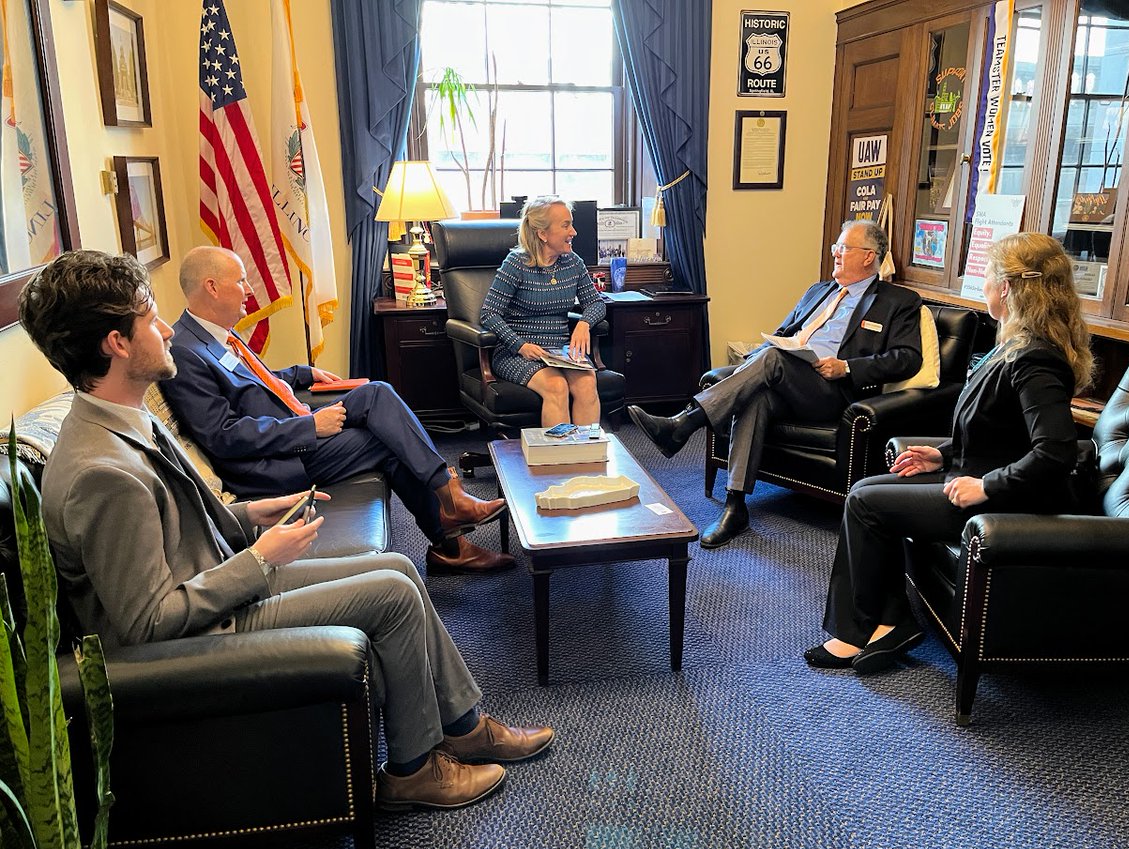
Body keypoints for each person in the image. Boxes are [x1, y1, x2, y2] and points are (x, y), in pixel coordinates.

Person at [20, 249, 554, 812]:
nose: (164, 329)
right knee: (393, 593)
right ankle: (413, 769)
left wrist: (253, 515)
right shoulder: (101, 472)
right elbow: (146, 623)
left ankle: (463, 726)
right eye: (150, 316)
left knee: (397, 566)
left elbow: (179, 528)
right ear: (117, 343)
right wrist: (260, 558)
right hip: (203, 632)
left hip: (215, 585)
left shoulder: (123, 418)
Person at [806, 232, 1093, 674]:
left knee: (865, 502)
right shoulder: (1015, 345)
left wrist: (986, 487)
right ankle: (888, 622)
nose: (983, 287)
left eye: (987, 278)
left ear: (1010, 288)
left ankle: (857, 631)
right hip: (969, 476)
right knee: (865, 490)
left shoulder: (1036, 358)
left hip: (1008, 504)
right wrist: (941, 455)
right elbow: (1001, 432)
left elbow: (1055, 452)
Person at [162, 246, 512, 576]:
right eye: (240, 280)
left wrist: (301, 372)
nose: (249, 289)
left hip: (289, 426)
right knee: (388, 442)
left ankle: (449, 510)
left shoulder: (214, 336)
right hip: (272, 461)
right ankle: (449, 530)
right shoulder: (186, 351)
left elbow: (253, 384)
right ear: (212, 287)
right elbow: (223, 436)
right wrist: (310, 427)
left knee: (375, 393)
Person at [629, 220, 923, 549]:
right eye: (835, 248)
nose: (836, 254)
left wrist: (847, 367)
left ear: (869, 257)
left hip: (833, 390)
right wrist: (751, 363)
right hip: (790, 376)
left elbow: (907, 358)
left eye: (844, 248)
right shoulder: (818, 290)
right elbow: (782, 336)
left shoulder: (898, 301)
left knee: (771, 361)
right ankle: (735, 506)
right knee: (757, 394)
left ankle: (684, 423)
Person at [480, 195, 606, 427]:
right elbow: (489, 313)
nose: (574, 232)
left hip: (560, 351)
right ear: (543, 234)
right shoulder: (516, 264)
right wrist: (520, 345)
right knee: (556, 387)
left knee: (588, 383)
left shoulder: (573, 263)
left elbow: (596, 303)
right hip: (518, 353)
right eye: (566, 225)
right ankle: (558, 460)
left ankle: (585, 459)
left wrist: (584, 323)